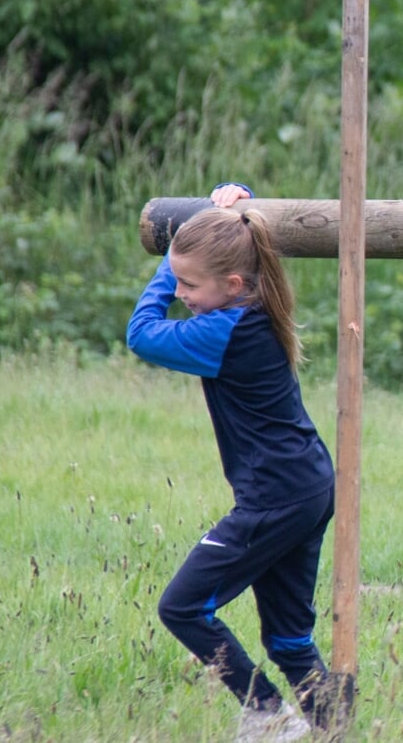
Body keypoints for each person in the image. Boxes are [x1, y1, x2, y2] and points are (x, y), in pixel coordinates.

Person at [125, 183, 337, 743]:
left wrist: (166, 274)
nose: (184, 294)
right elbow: (242, 236)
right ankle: (337, 732)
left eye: (190, 285)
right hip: (308, 486)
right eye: (180, 283)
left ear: (233, 285)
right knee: (290, 640)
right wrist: (232, 200)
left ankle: (266, 712)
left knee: (182, 606)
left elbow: (142, 335)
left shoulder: (225, 330)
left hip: (278, 495)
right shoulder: (253, 308)